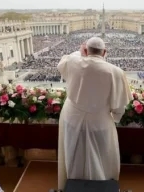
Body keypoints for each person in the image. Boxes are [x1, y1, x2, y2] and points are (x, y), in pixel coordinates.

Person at [57, 37, 132, 191]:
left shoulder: (74, 61)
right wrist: (115, 117)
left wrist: (81, 51)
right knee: (102, 156)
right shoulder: (115, 71)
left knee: (74, 154)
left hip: (72, 118)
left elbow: (65, 61)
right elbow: (118, 107)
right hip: (100, 121)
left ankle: (73, 183)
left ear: (86, 51)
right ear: (105, 52)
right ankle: (102, 184)